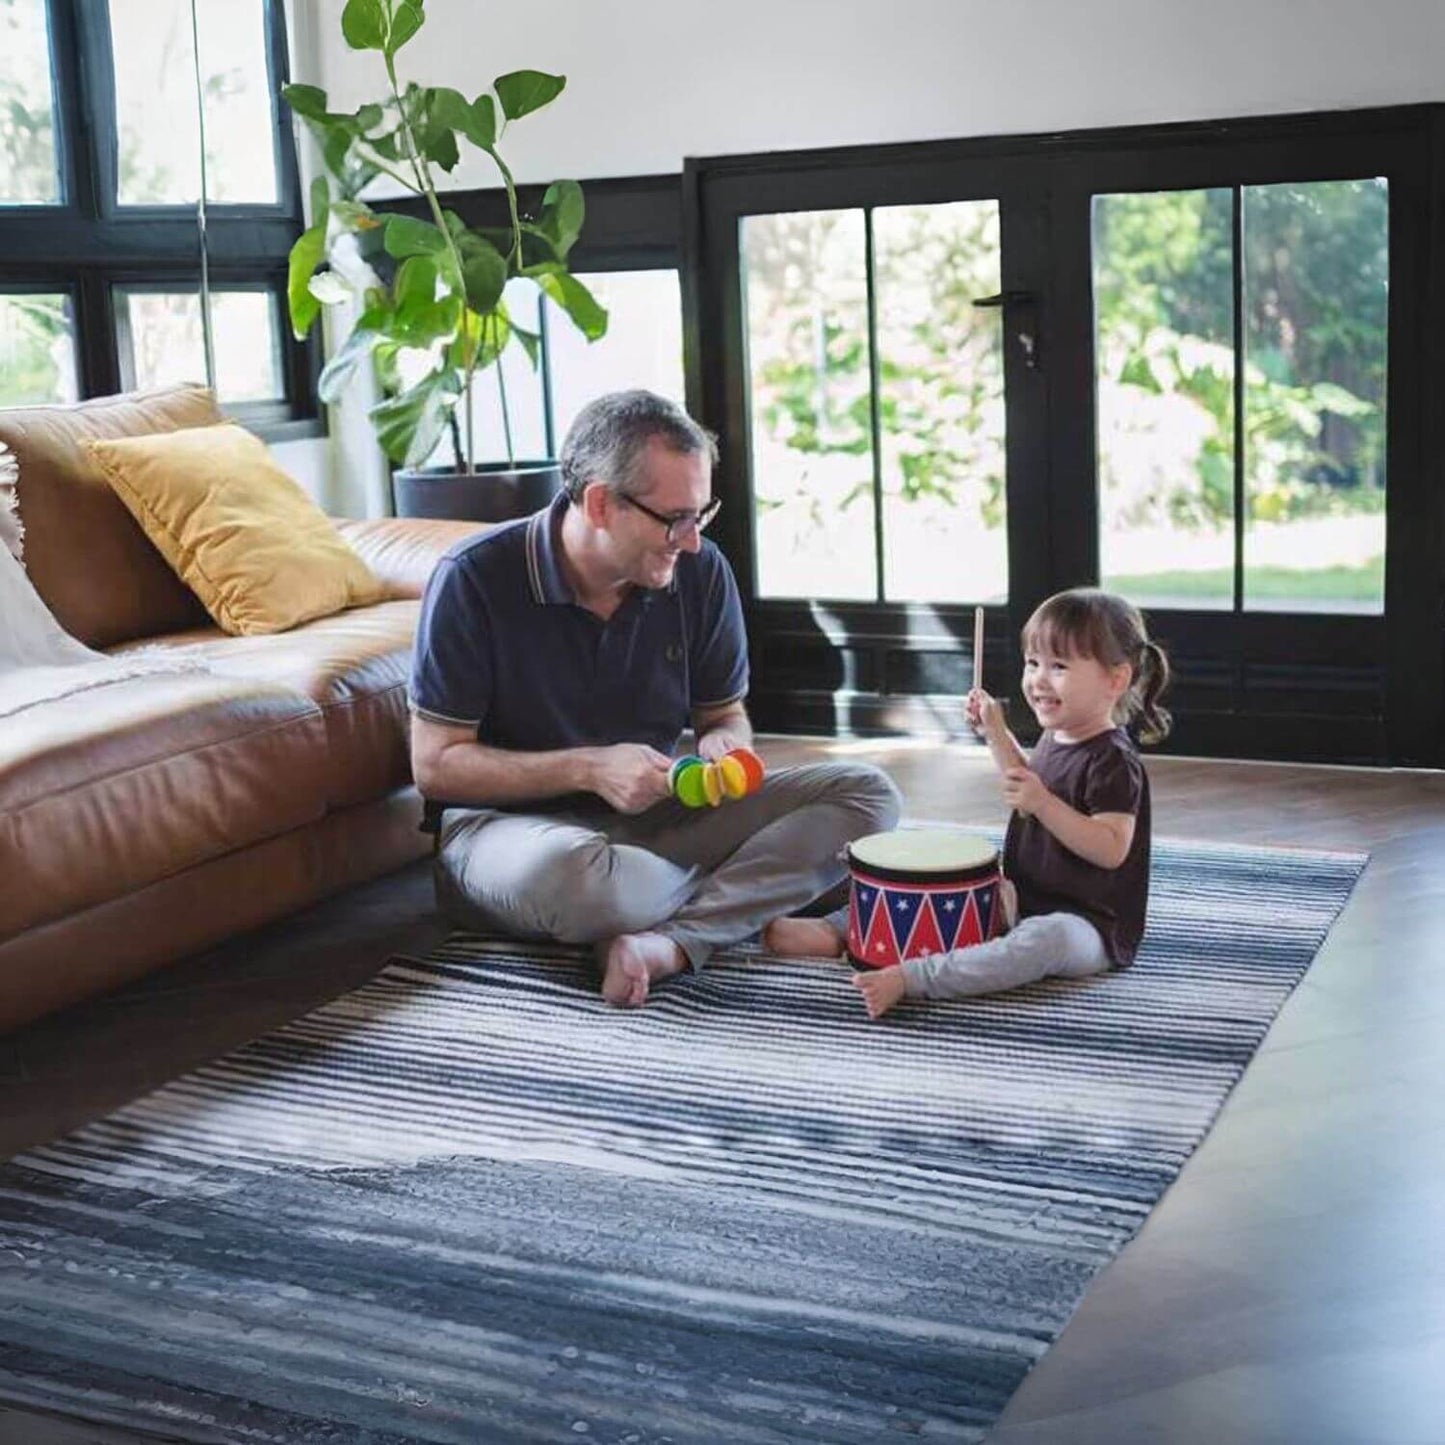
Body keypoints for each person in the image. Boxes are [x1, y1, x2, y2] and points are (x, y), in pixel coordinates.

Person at [408, 390, 901, 1008]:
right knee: (594, 885)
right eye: (674, 519)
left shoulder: (699, 572)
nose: (691, 541)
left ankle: (668, 942)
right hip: (512, 837)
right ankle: (758, 891)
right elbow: (434, 765)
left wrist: (727, 745)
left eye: (702, 514)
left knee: (868, 795)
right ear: (598, 503)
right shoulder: (474, 578)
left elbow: (723, 714)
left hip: (651, 825)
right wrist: (588, 767)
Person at [766, 588, 1171, 1020]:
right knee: (941, 887)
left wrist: (1044, 804)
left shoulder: (1114, 760)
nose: (1038, 679)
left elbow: (1110, 849)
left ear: (1116, 679)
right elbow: (1024, 778)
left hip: (1088, 925)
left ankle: (915, 978)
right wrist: (995, 731)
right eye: (1033, 663)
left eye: (1059, 667)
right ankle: (838, 932)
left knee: (1042, 942)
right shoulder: (1059, 735)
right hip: (1022, 897)